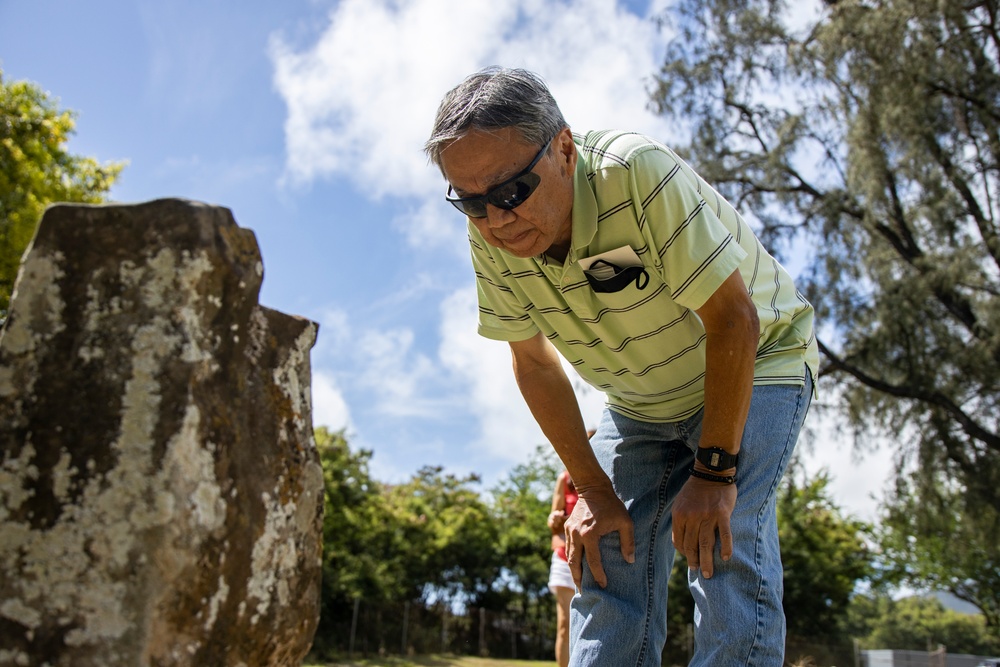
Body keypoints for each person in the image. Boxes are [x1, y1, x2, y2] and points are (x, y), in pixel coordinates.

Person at [424, 67, 818, 667]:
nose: (497, 221)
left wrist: (713, 475)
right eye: (471, 203)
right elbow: (534, 364)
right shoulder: (489, 240)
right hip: (638, 404)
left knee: (721, 546)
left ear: (563, 148)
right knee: (602, 552)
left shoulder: (635, 175)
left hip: (757, 360)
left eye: (510, 193)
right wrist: (594, 491)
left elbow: (734, 318)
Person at [547, 429, 593, 667]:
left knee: (589, 622)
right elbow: (553, 521)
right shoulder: (564, 480)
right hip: (564, 558)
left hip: (594, 558)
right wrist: (555, 518)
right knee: (565, 624)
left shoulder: (607, 481)